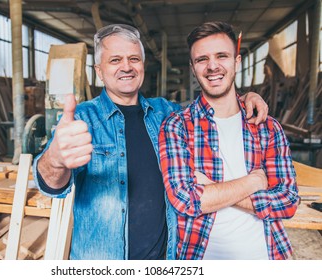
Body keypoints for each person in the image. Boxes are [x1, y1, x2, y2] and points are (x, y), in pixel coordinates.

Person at [33, 24, 269, 260]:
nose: (126, 67)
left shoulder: (166, 113)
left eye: (133, 58)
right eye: (115, 60)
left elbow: (211, 110)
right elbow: (53, 186)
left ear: (142, 65)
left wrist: (245, 98)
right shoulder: (84, 119)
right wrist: (55, 160)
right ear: (99, 71)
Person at [158, 21, 299, 260]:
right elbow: (186, 201)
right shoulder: (177, 126)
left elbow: (287, 202)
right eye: (202, 59)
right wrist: (253, 182)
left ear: (237, 61)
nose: (212, 66)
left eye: (221, 56)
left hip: (267, 257)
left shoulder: (267, 127)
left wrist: (212, 189)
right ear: (193, 68)